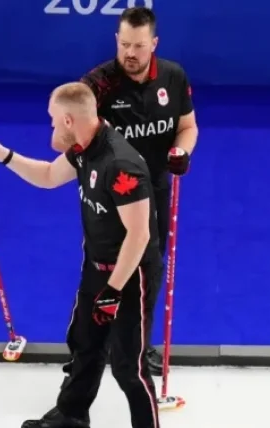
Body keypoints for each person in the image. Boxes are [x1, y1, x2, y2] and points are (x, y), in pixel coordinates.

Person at [0, 82, 164, 428]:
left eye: (51, 119)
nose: (49, 125)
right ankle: (74, 413)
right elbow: (47, 175)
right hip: (97, 266)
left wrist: (113, 291)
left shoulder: (121, 164)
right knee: (84, 340)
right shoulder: (83, 149)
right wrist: (4, 156)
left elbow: (139, 236)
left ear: (67, 120)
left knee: (128, 365)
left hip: (131, 276)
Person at [63, 6, 199, 377]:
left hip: (152, 190)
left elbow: (188, 127)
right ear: (116, 41)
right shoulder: (99, 84)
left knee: (147, 271)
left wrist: (182, 151)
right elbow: (69, 128)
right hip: (106, 199)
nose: (130, 54)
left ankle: (140, 346)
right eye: (124, 45)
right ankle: (85, 348)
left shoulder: (173, 77)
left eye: (138, 46)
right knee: (97, 269)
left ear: (153, 43)